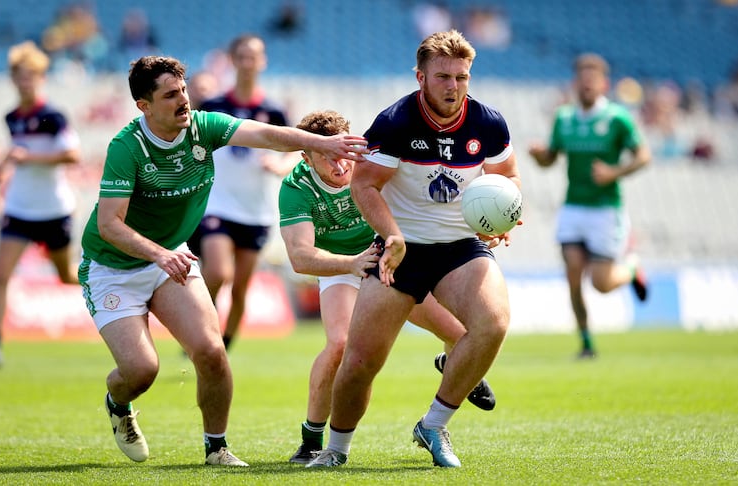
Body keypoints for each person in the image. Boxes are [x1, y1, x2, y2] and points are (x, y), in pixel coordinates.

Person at [77, 55, 368, 467]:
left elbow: (267, 135)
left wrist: (320, 142)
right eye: (170, 95)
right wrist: (161, 253)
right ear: (143, 105)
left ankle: (216, 449)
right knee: (141, 370)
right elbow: (109, 225)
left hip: (169, 256)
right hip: (113, 267)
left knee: (212, 351)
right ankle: (117, 402)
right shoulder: (127, 148)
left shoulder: (203, 126)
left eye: (183, 90)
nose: (183, 101)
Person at [306, 30, 519, 469]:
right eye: (443, 77)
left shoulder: (489, 123)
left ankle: (435, 424)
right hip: (400, 251)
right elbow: (364, 185)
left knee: (492, 324)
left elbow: (508, 178)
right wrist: (393, 235)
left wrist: (505, 218)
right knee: (360, 361)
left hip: (461, 248)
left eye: (462, 77)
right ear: (420, 76)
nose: (453, 86)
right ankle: (336, 449)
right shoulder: (395, 122)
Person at [279, 110, 496, 464]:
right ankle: (312, 439)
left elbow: (434, 201)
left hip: (390, 261)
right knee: (339, 345)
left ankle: (450, 366)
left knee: (461, 334)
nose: (341, 166)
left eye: (344, 153)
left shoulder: (377, 161)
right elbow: (301, 257)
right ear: (306, 155)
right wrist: (350, 263)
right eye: (327, 156)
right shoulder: (296, 187)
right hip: (340, 267)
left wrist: (486, 222)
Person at [529, 53, 651, 359]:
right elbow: (550, 160)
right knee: (573, 273)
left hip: (606, 209)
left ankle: (633, 268)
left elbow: (643, 155)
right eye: (581, 81)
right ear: (575, 84)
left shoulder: (617, 119)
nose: (586, 87)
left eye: (591, 81)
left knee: (602, 283)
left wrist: (615, 172)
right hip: (573, 207)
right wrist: (539, 155)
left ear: (603, 85)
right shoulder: (563, 118)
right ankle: (585, 342)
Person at [0, 41, 81, 367]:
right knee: (1, 274)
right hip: (18, 209)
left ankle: (110, 289)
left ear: (41, 78)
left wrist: (27, 157)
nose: (25, 82)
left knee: (65, 276)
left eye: (30, 76)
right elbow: (16, 157)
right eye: (19, 76)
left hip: (54, 210)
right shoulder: (12, 118)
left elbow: (72, 155)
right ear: (12, 79)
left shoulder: (53, 116)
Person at [187, 34, 297, 351]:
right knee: (218, 272)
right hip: (217, 206)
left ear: (262, 62)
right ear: (233, 61)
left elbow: (293, 149)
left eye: (255, 56)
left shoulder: (272, 111)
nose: (248, 62)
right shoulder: (214, 106)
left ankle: (224, 346)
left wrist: (281, 166)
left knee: (240, 290)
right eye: (243, 56)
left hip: (255, 210)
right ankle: (197, 331)